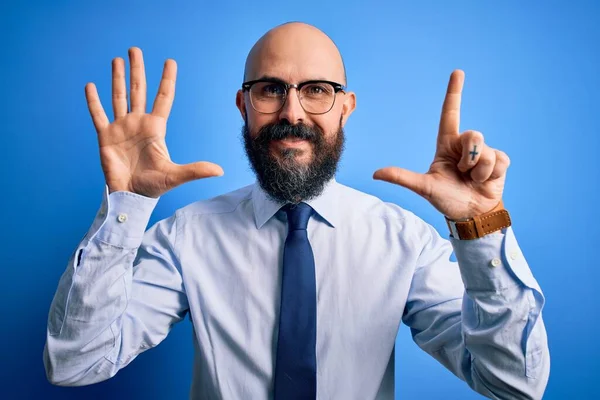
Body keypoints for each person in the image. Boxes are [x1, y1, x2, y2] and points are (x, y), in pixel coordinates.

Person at [43, 22, 549, 399]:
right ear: (243, 106)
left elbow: (513, 383)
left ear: (345, 106)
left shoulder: (405, 243)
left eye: (316, 91)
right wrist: (127, 206)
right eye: (271, 89)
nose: (292, 112)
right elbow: (76, 362)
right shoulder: (185, 237)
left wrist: (479, 229)